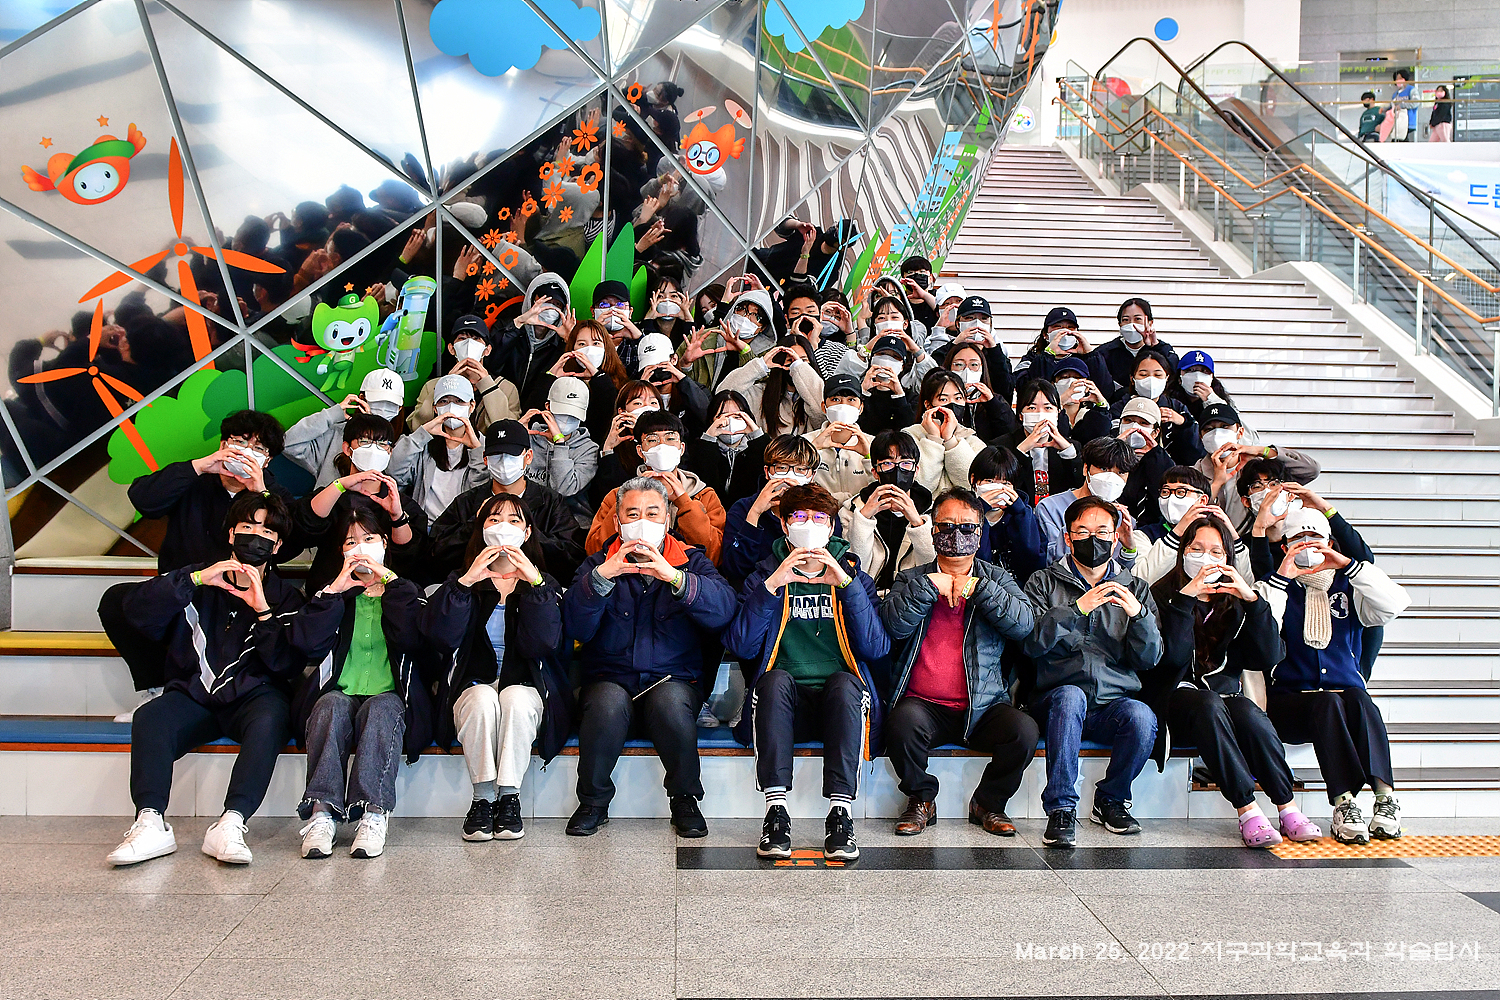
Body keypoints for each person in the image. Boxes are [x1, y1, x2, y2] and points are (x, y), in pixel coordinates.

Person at [106, 493, 307, 867]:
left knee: (271, 719)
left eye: (267, 532)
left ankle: (231, 823)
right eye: (247, 526)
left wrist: (262, 611)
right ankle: (150, 822)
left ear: (278, 546)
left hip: (254, 696)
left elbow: (286, 665)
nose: (255, 536)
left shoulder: (287, 598)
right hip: (195, 694)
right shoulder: (196, 579)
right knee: (151, 717)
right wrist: (195, 578)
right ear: (231, 534)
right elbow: (137, 612)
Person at [563, 477, 737, 837]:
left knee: (670, 703)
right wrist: (602, 578)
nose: (642, 521)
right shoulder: (597, 563)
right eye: (632, 514)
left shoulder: (691, 561)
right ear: (617, 522)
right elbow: (576, 627)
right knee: (606, 703)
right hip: (611, 679)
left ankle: (685, 800)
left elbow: (723, 611)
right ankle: (593, 802)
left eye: (652, 513)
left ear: (667, 519)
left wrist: (675, 578)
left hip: (673, 680)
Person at [725, 483, 890, 861]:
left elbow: (876, 648)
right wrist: (773, 585)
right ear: (785, 525)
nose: (809, 524)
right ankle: (776, 814)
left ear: (832, 527)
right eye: (799, 517)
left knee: (846, 684)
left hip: (839, 706)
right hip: (783, 707)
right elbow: (742, 646)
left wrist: (846, 586)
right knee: (774, 682)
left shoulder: (854, 577)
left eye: (819, 518)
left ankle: (840, 817)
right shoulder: (763, 576)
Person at [1145, 515, 1322, 848]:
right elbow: (1170, 660)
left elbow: (1268, 656)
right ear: (1183, 552)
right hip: (1174, 699)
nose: (1205, 558)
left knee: (1249, 713)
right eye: (1196, 549)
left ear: (1227, 558)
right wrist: (1186, 598)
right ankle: (1247, 809)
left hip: (1223, 699)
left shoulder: (1235, 600)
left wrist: (1253, 602)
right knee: (1208, 703)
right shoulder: (1161, 594)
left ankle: (1287, 807)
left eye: (1216, 551)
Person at [100, 410, 296, 708]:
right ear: (223, 444)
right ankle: (156, 688)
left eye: (258, 448)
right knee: (117, 602)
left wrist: (261, 495)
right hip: (187, 588)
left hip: (240, 598)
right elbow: (143, 500)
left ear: (267, 460)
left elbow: (292, 545)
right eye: (239, 442)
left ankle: (239, 698)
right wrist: (199, 466)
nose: (246, 452)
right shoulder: (194, 478)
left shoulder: (274, 493)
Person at [880, 489, 1038, 836]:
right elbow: (891, 626)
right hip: (923, 705)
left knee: (1024, 732)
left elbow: (1024, 624)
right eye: (947, 526)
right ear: (933, 530)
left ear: (980, 533)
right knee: (900, 724)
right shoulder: (910, 578)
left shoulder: (997, 579)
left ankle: (988, 803)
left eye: (967, 527)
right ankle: (922, 799)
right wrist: (927, 587)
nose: (957, 534)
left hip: (983, 706)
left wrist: (979, 588)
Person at [423, 493, 571, 843]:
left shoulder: (544, 584)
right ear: (481, 529)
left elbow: (544, 644)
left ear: (527, 532)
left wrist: (534, 584)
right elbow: (440, 637)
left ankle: (509, 797)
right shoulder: (461, 580)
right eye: (494, 519)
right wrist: (465, 583)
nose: (503, 526)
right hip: (474, 687)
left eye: (513, 520)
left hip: (528, 687)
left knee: (514, 699)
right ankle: (483, 797)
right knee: (482, 699)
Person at [1259, 508, 1411, 844]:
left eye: (1315, 538)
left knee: (1359, 697)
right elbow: (1262, 631)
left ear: (1329, 543)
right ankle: (1345, 804)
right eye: (1298, 539)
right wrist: (1283, 576)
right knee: (1327, 702)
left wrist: (1347, 565)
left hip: (1346, 700)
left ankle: (1385, 798)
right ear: (1284, 546)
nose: (1307, 545)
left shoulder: (1350, 585)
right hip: (1291, 703)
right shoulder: (1276, 585)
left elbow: (1394, 604)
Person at [290, 500, 429, 860]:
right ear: (341, 551)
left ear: (384, 543)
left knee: (382, 710)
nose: (360, 548)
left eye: (368, 539)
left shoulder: (405, 591)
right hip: (341, 690)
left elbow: (413, 640)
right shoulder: (333, 594)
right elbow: (305, 644)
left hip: (390, 693)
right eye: (351, 542)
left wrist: (389, 581)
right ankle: (322, 813)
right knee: (329, 706)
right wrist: (335, 589)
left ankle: (373, 813)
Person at [1023, 496, 1162, 848]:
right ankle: (1060, 809)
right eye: (1083, 532)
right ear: (1068, 538)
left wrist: (1139, 617)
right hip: (1055, 700)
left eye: (1102, 531)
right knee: (1070, 697)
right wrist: (1076, 609)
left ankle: (1112, 799)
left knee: (1141, 716)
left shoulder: (1135, 588)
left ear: (1115, 538)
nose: (1093, 539)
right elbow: (1031, 644)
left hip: (1110, 703)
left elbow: (1149, 659)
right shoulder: (1042, 582)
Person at [428, 420, 586, 583]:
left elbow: (572, 558)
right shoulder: (468, 502)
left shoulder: (550, 502)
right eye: (496, 456)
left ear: (528, 456)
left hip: (534, 588)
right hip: (479, 587)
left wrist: (526, 532)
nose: (503, 462)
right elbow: (435, 553)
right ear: (485, 460)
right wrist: (475, 523)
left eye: (512, 455)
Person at [294, 413, 429, 592]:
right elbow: (304, 526)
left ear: (390, 451)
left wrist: (397, 515)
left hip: (387, 596)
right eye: (365, 442)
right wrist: (340, 485)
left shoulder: (401, 503)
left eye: (382, 444)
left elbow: (408, 554)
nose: (374, 449)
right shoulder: (332, 495)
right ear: (347, 448)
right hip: (331, 593)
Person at [585, 409, 727, 564]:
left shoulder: (705, 495)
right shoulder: (616, 496)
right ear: (640, 451)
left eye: (670, 438)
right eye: (652, 440)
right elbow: (594, 550)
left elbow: (714, 555)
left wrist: (685, 503)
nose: (662, 446)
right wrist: (627, 499)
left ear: (681, 448)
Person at [1193, 403, 1320, 534]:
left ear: (1240, 432)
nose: (1217, 434)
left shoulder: (1260, 467)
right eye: (1209, 429)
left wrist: (1260, 451)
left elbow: (1311, 470)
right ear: (1201, 437)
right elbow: (1188, 518)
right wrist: (1216, 484)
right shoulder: (1193, 474)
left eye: (1225, 427)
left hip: (1257, 540)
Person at [839, 430, 934, 594]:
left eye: (906, 463)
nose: (898, 470)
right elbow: (855, 566)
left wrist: (918, 523)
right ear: (875, 472)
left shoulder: (932, 511)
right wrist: (863, 518)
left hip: (912, 597)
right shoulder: (852, 509)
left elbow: (931, 567)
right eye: (887, 464)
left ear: (916, 470)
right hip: (867, 594)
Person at [722, 433, 820, 588]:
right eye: (782, 468)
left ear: (812, 476)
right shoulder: (743, 508)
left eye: (801, 469)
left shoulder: (822, 511)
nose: (790, 475)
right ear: (767, 472)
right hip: (757, 591)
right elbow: (734, 569)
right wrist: (755, 514)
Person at [388, 373, 488, 522]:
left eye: (459, 401)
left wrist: (477, 451)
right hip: (425, 526)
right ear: (435, 408)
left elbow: (481, 493)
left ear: (471, 406)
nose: (451, 407)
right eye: (444, 401)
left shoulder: (485, 446)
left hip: (462, 529)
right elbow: (394, 472)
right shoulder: (423, 444)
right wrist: (421, 434)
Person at [283, 368, 406, 489]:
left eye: (390, 405)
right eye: (377, 402)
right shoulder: (334, 435)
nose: (383, 409)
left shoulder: (403, 445)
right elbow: (289, 444)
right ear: (361, 399)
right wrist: (332, 414)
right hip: (328, 501)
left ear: (399, 408)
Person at [1133, 465, 1250, 586]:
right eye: (1165, 492)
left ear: (1202, 500)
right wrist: (1176, 534)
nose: (1171, 498)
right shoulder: (1144, 535)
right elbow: (1141, 581)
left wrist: (1234, 538)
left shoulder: (1216, 534)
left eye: (1181, 492)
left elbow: (1245, 583)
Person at [407, 315, 519, 435]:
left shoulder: (506, 388)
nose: (469, 343)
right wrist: (444, 385)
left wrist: (488, 385)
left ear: (487, 350)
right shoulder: (431, 386)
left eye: (476, 338)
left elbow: (506, 432)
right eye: (462, 338)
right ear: (451, 349)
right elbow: (416, 428)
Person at [1034, 437, 1137, 565]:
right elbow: (1051, 561)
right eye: (1103, 469)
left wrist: (1129, 549)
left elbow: (1121, 571)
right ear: (1085, 468)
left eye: (1121, 472)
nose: (1111, 478)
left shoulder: (1125, 519)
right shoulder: (1050, 508)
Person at [718, 334, 826, 438]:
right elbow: (723, 394)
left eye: (803, 360)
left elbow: (822, 412)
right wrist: (760, 366)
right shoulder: (759, 393)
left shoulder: (817, 392)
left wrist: (800, 368)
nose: (795, 366)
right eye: (790, 360)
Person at [968, 446, 1047, 584]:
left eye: (1005, 483)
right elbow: (978, 562)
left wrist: (1020, 514)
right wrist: (979, 511)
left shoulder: (1024, 514)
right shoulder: (963, 512)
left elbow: (1034, 561)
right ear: (973, 480)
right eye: (989, 481)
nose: (997, 488)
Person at [1109, 349, 1202, 466]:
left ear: (1166, 378)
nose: (1151, 380)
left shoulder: (1177, 407)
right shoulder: (1120, 407)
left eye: (1158, 375)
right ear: (1132, 378)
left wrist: (1183, 422)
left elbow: (1195, 452)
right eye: (1143, 375)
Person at [494, 272, 571, 407]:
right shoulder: (508, 328)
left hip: (537, 411)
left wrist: (568, 341)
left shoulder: (560, 343)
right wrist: (518, 324)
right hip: (501, 406)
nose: (550, 308)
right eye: (545, 301)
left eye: (556, 304)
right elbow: (492, 362)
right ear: (532, 300)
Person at [903, 370, 985, 494]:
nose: (952, 404)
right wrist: (934, 439)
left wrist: (950, 441)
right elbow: (919, 485)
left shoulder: (973, 440)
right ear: (928, 405)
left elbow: (972, 485)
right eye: (943, 399)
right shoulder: (910, 436)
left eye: (958, 398)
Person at [546, 318, 627, 443]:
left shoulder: (616, 382)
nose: (589, 349)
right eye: (582, 344)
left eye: (596, 343)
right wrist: (550, 377)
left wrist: (597, 377)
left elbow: (606, 419)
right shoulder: (563, 380)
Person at [1003, 378, 1082, 504]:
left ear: (1057, 413)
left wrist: (1068, 452)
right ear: (1021, 415)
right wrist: (1021, 451)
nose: (1040, 414)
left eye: (1048, 408)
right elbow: (1004, 484)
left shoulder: (1071, 448)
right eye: (1032, 408)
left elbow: (1078, 485)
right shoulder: (1003, 446)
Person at [521, 375, 599, 502]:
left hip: (566, 512)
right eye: (562, 412)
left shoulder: (588, 449)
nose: (567, 419)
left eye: (574, 415)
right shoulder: (528, 437)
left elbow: (563, 490)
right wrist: (515, 437)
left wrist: (560, 444)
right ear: (548, 406)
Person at [1011, 307, 1117, 399]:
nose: (1065, 331)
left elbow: (1106, 391)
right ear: (1045, 334)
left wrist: (1090, 354)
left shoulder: (1088, 359)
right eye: (1058, 327)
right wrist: (1047, 355)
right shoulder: (1031, 359)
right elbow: (1024, 389)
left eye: (1070, 327)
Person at [590, 380, 666, 506]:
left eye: (653, 402)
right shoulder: (616, 442)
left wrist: (645, 435)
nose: (647, 407)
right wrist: (608, 450)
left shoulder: (671, 438)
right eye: (638, 403)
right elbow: (609, 492)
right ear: (622, 411)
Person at [688, 389, 767, 503]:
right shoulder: (699, 449)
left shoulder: (756, 449)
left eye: (737, 416)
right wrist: (708, 439)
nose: (730, 422)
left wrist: (757, 436)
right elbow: (703, 483)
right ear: (711, 420)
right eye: (722, 416)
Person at [808, 373, 875, 503]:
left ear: (861, 408)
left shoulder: (875, 444)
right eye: (836, 399)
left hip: (861, 511)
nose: (844, 406)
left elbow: (882, 486)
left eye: (851, 400)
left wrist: (868, 456)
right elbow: (793, 483)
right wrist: (812, 449)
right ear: (824, 407)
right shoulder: (805, 442)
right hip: (818, 512)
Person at [943, 338, 1017, 445]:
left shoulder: (995, 399)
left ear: (982, 368)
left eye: (974, 365)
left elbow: (1011, 433)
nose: (966, 370)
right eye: (959, 364)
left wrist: (992, 403)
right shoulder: (941, 399)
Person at [857, 335, 918, 435]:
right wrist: (863, 392)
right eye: (882, 353)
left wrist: (900, 396)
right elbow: (855, 422)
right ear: (872, 358)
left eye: (895, 357)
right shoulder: (858, 393)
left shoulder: (911, 398)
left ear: (902, 366)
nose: (887, 360)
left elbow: (908, 429)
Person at [1391, 69, 1416, 141]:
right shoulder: (1395, 94)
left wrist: (1402, 106)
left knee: (1403, 140)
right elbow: (1392, 106)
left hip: (1408, 121)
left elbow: (1415, 103)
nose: (1398, 80)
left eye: (1400, 78)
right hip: (1397, 122)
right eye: (1396, 79)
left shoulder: (1412, 90)